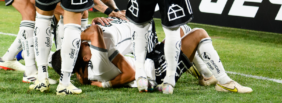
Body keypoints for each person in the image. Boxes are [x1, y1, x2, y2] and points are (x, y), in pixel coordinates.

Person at [51, 18, 252, 93]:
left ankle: (206, 76)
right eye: (81, 46)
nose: (84, 43)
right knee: (199, 33)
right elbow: (130, 73)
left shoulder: (87, 72)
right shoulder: (99, 64)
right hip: (157, 71)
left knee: (182, 30)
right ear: (85, 58)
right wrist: (75, 35)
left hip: (151, 61)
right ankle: (224, 81)